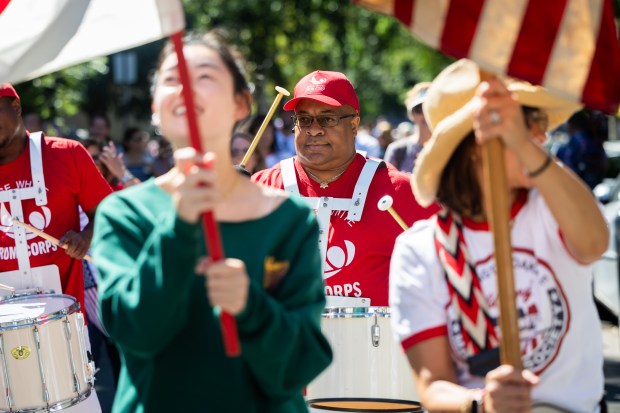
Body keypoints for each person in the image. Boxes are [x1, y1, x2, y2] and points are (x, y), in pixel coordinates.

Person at [91, 31, 332, 413]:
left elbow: (300, 365)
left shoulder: (289, 220)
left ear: (241, 104)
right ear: (156, 106)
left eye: (204, 76)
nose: (185, 87)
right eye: (171, 79)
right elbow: (135, 333)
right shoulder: (124, 215)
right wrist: (179, 227)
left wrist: (251, 307)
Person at [390, 59, 608, 413]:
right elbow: (432, 385)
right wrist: (482, 403)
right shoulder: (420, 250)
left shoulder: (553, 204)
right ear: (477, 143)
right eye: (531, 123)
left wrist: (522, 145)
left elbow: (594, 243)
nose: (542, 137)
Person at [253, 70, 437, 307]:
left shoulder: (402, 191)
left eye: (327, 119)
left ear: (354, 124)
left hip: (378, 343)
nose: (314, 129)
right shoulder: (262, 188)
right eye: (304, 119)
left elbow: (446, 269)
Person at [0, 83, 112, 413]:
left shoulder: (66, 154)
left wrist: (86, 236)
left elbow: (110, 212)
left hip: (64, 326)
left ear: (16, 108)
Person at [384, 82, 431, 173]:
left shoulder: (449, 149)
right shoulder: (397, 150)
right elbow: (386, 185)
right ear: (411, 114)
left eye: (430, 107)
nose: (425, 113)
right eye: (419, 109)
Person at [556, 110, 608, 189]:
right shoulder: (593, 141)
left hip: (578, 186)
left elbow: (568, 166)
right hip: (592, 186)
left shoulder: (578, 140)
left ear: (571, 126)